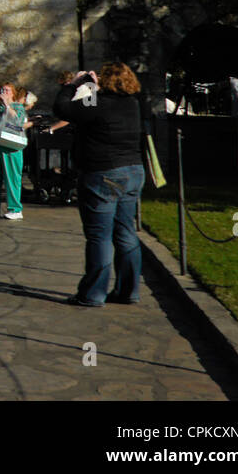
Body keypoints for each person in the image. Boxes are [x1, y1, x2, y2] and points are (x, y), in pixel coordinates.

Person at [54, 63, 146, 307]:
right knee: (125, 232)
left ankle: (93, 294)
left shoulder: (98, 102)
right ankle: (128, 291)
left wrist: (74, 85)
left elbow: (63, 109)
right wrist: (92, 88)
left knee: (100, 236)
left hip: (103, 173)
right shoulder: (132, 103)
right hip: (133, 170)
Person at [0, 82, 26, 220]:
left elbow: (18, 120)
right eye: (2, 90)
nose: (4, 92)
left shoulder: (18, 107)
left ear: (13, 94)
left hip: (11, 147)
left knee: (12, 178)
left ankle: (15, 208)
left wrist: (7, 105)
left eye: (7, 90)